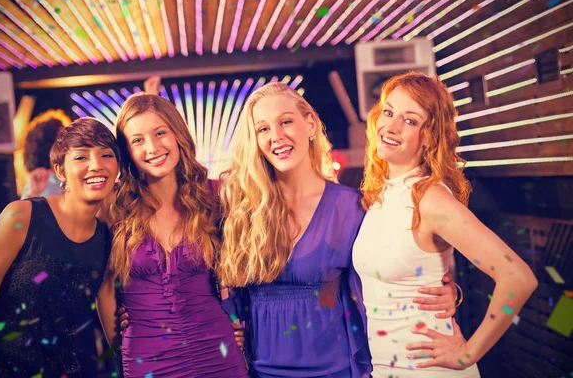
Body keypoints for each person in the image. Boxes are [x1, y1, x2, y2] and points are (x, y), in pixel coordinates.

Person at [215, 82, 458, 378]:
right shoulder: (241, 207)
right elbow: (220, 287)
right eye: (262, 129)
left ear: (311, 125)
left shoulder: (353, 207)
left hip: (336, 367)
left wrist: (448, 290)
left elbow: (397, 269)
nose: (276, 136)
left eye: (286, 122)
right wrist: (227, 322)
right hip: (261, 369)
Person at [352, 71, 538, 377]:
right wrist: (453, 290)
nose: (392, 126)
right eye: (389, 112)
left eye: (410, 121)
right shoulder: (383, 193)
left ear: (428, 137)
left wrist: (467, 354)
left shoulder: (430, 199)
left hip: (430, 370)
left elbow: (518, 277)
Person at [107, 93, 247, 377]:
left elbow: (243, 269)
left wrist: (241, 321)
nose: (153, 147)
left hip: (217, 350)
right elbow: (97, 282)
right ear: (126, 151)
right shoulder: (113, 209)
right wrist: (113, 322)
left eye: (160, 133)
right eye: (138, 140)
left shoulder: (214, 197)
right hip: (147, 358)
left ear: (178, 134)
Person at [0, 118, 120, 377]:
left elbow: (114, 330)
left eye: (106, 154)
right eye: (81, 157)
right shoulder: (22, 216)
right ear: (60, 170)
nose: (96, 165)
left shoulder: (106, 239)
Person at [21, 110, 71, 199]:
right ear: (48, 147)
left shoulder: (72, 176)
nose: (69, 143)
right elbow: (23, 211)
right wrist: (34, 194)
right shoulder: (37, 185)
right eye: (61, 138)